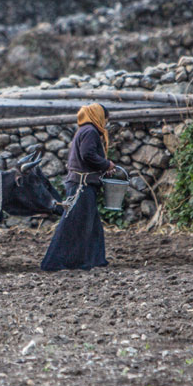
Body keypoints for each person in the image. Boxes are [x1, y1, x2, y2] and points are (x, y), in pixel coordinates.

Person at [40, 103, 116, 271]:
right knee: (73, 224)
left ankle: (96, 260)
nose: (106, 123)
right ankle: (54, 263)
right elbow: (87, 155)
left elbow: (85, 159)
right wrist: (106, 164)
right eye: (105, 119)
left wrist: (102, 168)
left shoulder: (84, 130)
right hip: (82, 185)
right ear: (98, 116)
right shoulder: (90, 132)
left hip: (81, 183)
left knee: (92, 225)